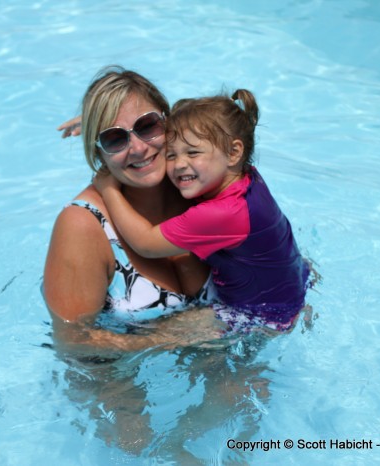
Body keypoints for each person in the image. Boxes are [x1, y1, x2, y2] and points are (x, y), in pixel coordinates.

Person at [93, 89, 311, 333]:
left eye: (193, 153)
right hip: (295, 279)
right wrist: (105, 125)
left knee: (152, 334)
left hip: (263, 316)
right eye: (172, 155)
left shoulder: (222, 214)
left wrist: (108, 188)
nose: (179, 165)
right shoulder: (246, 176)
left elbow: (145, 243)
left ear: (233, 153)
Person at [43, 66, 221, 351]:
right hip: (117, 375)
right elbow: (73, 342)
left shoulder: (201, 184)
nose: (137, 148)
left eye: (147, 125)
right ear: (97, 151)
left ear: (169, 123)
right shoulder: (82, 226)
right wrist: (171, 337)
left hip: (220, 351)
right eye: (114, 138)